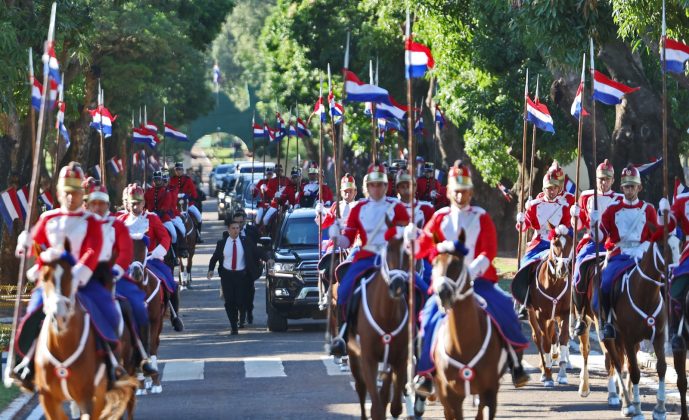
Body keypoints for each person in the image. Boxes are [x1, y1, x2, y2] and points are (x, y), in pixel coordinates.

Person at [413, 161, 530, 396]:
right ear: (448, 191)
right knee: (427, 318)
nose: (459, 194)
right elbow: (422, 248)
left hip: (478, 281)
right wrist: (414, 237)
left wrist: (471, 271)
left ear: (471, 191)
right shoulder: (439, 218)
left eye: (464, 189)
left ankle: (515, 363)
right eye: (455, 189)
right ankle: (425, 373)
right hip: (445, 283)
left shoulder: (481, 217)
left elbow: (489, 250)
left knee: (505, 306)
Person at [12, 163, 119, 390]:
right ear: (60, 193)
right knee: (32, 313)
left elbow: (94, 248)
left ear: (83, 195)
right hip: (51, 280)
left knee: (107, 311)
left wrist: (79, 272)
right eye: (67, 193)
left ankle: (111, 361)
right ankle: (26, 362)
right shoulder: (48, 218)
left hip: (83, 279)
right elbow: (36, 243)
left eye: (76, 193)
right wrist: (25, 242)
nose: (71, 198)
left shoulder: (91, 221)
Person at [327, 164, 410, 356]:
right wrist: (335, 236)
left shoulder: (396, 207)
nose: (376, 189)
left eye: (380, 184)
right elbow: (347, 240)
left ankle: (417, 336)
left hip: (393, 257)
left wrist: (407, 232)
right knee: (344, 288)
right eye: (372, 185)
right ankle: (343, 334)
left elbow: (407, 233)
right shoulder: (359, 209)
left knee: (420, 288)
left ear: (386, 186)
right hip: (368, 256)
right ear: (366, 187)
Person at [84, 182, 157, 376]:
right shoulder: (77, 224)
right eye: (94, 203)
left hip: (112, 275)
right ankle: (29, 362)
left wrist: (115, 270)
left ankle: (143, 356)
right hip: (82, 278)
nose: (98, 208)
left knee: (138, 307)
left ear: (107, 205)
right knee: (46, 306)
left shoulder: (116, 225)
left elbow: (125, 252)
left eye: (102, 203)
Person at [598, 165, 671, 340]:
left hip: (642, 253)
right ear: (621, 188)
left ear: (639, 187)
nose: (630, 190)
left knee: (660, 280)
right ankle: (607, 321)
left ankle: (664, 322)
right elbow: (600, 235)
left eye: (633, 186)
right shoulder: (612, 210)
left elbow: (656, 235)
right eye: (626, 186)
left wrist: (664, 216)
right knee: (605, 282)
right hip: (619, 253)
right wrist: (594, 222)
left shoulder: (649, 209)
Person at [118, 184, 184, 332]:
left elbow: (165, 238)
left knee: (169, 281)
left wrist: (157, 252)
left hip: (150, 259)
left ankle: (174, 315)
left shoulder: (152, 219)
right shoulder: (121, 221)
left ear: (143, 203)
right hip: (127, 262)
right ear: (128, 204)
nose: (136, 207)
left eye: (139, 203)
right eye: (132, 204)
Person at [569, 159, 621, 336]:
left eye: (607, 179)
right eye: (600, 178)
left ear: (613, 180)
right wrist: (574, 216)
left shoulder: (619, 199)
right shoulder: (586, 196)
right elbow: (580, 224)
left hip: (613, 244)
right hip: (592, 243)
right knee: (579, 271)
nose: (603, 182)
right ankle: (581, 315)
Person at [512, 171, 572, 318]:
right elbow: (526, 225)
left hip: (557, 243)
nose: (551, 192)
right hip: (539, 243)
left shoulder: (564, 206)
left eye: (554, 188)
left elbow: (568, 226)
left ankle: (574, 302)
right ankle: (525, 301)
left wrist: (563, 229)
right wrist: (521, 221)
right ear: (543, 189)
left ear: (559, 189)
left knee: (571, 265)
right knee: (525, 265)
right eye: (548, 188)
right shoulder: (533, 205)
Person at [208, 218, 270, 334]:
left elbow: (257, 251)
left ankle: (241, 316)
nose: (236, 230)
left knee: (241, 300)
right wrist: (210, 270)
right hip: (227, 276)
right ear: (228, 230)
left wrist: (268, 259)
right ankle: (233, 325)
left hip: (242, 276)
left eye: (237, 228)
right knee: (229, 302)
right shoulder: (222, 243)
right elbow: (215, 257)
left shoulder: (245, 241)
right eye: (233, 228)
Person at [146, 170, 188, 258]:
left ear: (162, 180)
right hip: (150, 219)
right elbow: (145, 203)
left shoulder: (167, 192)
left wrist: (157, 215)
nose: (157, 181)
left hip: (163, 218)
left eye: (159, 179)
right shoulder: (149, 192)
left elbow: (166, 206)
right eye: (155, 179)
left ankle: (175, 255)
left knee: (174, 234)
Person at [232, 210, 261, 325]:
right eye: (237, 222)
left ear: (244, 221)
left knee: (249, 294)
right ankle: (241, 316)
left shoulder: (252, 231)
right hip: (234, 270)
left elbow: (259, 246)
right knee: (237, 294)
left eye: (241, 221)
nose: (239, 224)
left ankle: (249, 311)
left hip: (248, 269)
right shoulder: (229, 233)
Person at [170, 162, 203, 242]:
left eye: (180, 170)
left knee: (198, 216)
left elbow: (194, 194)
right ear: (175, 170)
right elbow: (170, 192)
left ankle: (198, 235)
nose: (178, 171)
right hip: (175, 205)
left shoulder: (187, 180)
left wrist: (188, 197)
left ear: (182, 170)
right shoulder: (171, 180)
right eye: (177, 170)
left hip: (188, 203)